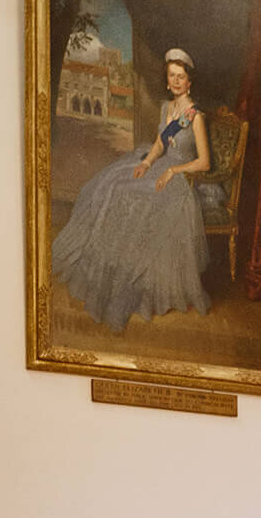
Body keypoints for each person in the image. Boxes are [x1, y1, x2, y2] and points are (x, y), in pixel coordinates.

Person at [52, 47, 215, 333]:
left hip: (180, 178)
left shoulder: (196, 117)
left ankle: (137, 279)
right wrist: (147, 162)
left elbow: (204, 162)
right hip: (159, 165)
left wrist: (171, 170)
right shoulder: (167, 109)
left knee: (135, 198)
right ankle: (112, 270)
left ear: (189, 82)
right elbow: (160, 144)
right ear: (167, 81)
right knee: (114, 186)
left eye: (181, 77)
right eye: (172, 76)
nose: (176, 81)